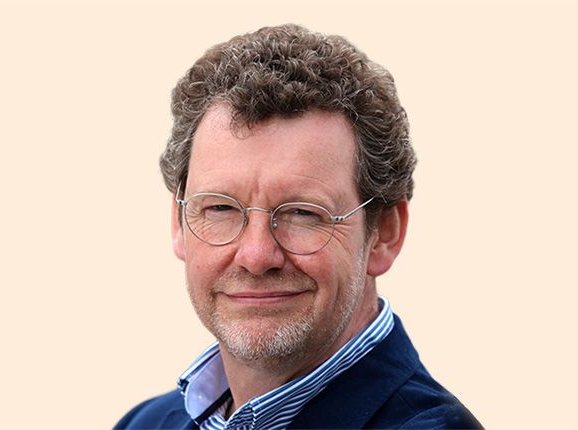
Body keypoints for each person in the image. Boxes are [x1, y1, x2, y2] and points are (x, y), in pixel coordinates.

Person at [115, 24, 482, 429]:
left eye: (303, 213)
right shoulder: (143, 423)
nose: (256, 256)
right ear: (179, 222)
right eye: (220, 208)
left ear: (384, 235)